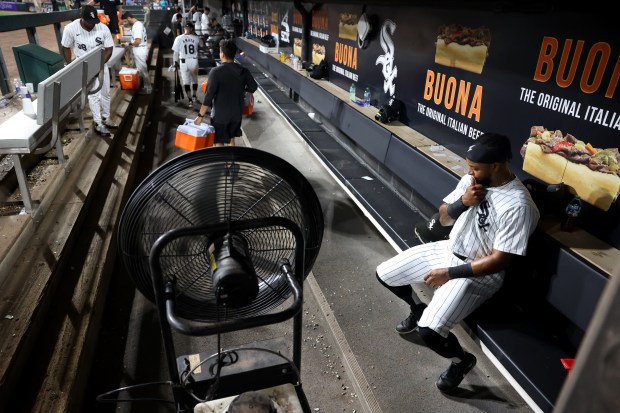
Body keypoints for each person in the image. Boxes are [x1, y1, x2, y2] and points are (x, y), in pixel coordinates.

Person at [376, 133, 540, 393]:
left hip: (477, 273)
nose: (469, 171)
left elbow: (500, 261)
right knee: (385, 273)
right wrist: (462, 203)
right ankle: (416, 308)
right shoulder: (471, 180)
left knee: (429, 330)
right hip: (448, 250)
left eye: (475, 167)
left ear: (496, 166)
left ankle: (461, 361)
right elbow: (442, 217)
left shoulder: (519, 205)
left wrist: (449, 274)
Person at [62, 5, 115, 136]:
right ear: (82, 17)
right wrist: (70, 65)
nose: (92, 24)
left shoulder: (102, 28)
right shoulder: (70, 29)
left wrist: (99, 66)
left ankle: (106, 117)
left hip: (102, 64)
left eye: (94, 21)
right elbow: (66, 46)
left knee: (106, 93)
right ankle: (98, 123)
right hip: (84, 66)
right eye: (89, 21)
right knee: (93, 95)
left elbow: (109, 49)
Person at [194, 39, 258, 147]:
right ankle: (230, 163)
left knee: (218, 140)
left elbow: (208, 97)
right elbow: (253, 87)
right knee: (230, 138)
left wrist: (200, 116)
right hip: (236, 113)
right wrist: (242, 91)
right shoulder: (243, 70)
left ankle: (223, 163)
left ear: (222, 54)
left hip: (220, 114)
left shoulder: (215, 72)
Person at [170, 22, 202, 107]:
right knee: (194, 80)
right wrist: (195, 35)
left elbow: (175, 53)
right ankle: (194, 96)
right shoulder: (196, 38)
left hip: (183, 62)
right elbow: (201, 44)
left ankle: (190, 100)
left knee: (186, 81)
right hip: (193, 61)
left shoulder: (178, 38)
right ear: (192, 28)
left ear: (184, 28)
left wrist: (175, 62)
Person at [121, 12, 151, 94]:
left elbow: (137, 41)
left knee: (143, 71)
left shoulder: (137, 26)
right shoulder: (138, 24)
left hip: (140, 49)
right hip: (141, 49)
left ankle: (148, 89)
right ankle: (145, 88)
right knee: (141, 70)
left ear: (129, 18)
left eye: (125, 21)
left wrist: (128, 44)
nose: (125, 23)